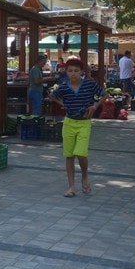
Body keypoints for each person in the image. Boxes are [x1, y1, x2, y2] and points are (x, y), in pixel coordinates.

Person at [49, 57, 108, 198]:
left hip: (84, 123)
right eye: (70, 71)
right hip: (69, 123)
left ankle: (85, 176)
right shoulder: (63, 87)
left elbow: (104, 95)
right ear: (66, 72)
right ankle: (71, 187)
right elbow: (51, 96)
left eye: (76, 70)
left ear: (82, 72)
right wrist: (62, 103)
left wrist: (94, 106)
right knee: (69, 156)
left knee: (81, 153)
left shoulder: (89, 84)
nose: (73, 73)